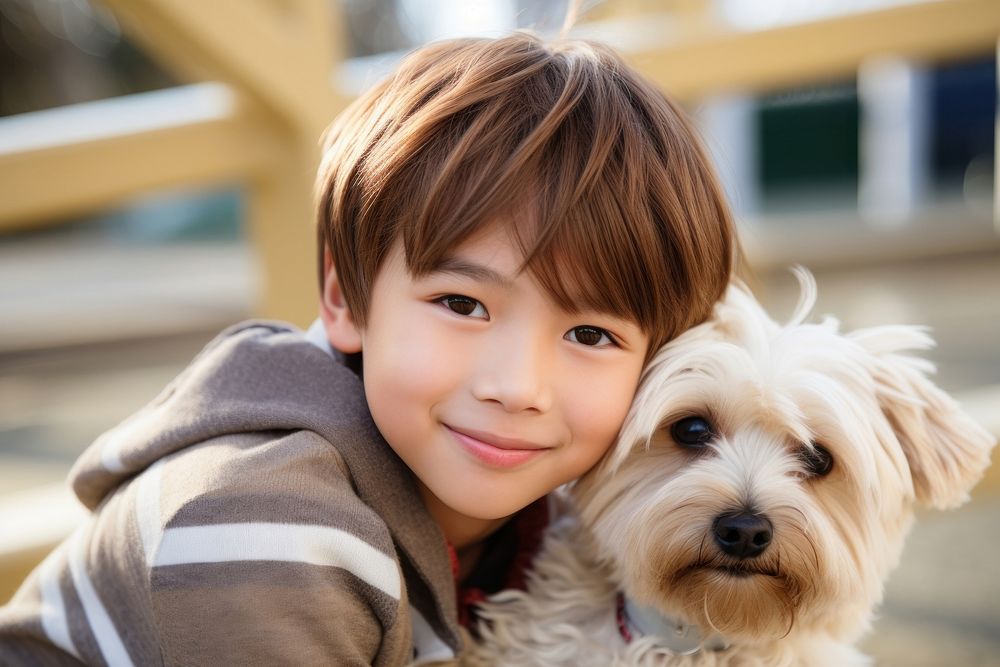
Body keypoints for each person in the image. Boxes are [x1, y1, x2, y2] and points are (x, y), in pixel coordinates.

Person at [0, 32, 737, 665]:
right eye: (462, 303)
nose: (518, 386)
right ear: (345, 300)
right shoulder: (266, 529)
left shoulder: (544, 514)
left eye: (590, 334)